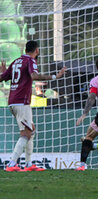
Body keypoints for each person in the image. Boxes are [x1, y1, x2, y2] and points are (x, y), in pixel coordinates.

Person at [0, 40, 66, 172]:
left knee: (31, 130)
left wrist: (3, 72)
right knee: (26, 133)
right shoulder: (30, 61)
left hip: (13, 101)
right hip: (21, 101)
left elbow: (1, 78)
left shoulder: (16, 61)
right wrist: (55, 76)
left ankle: (29, 164)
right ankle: (12, 163)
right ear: (36, 50)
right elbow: (34, 76)